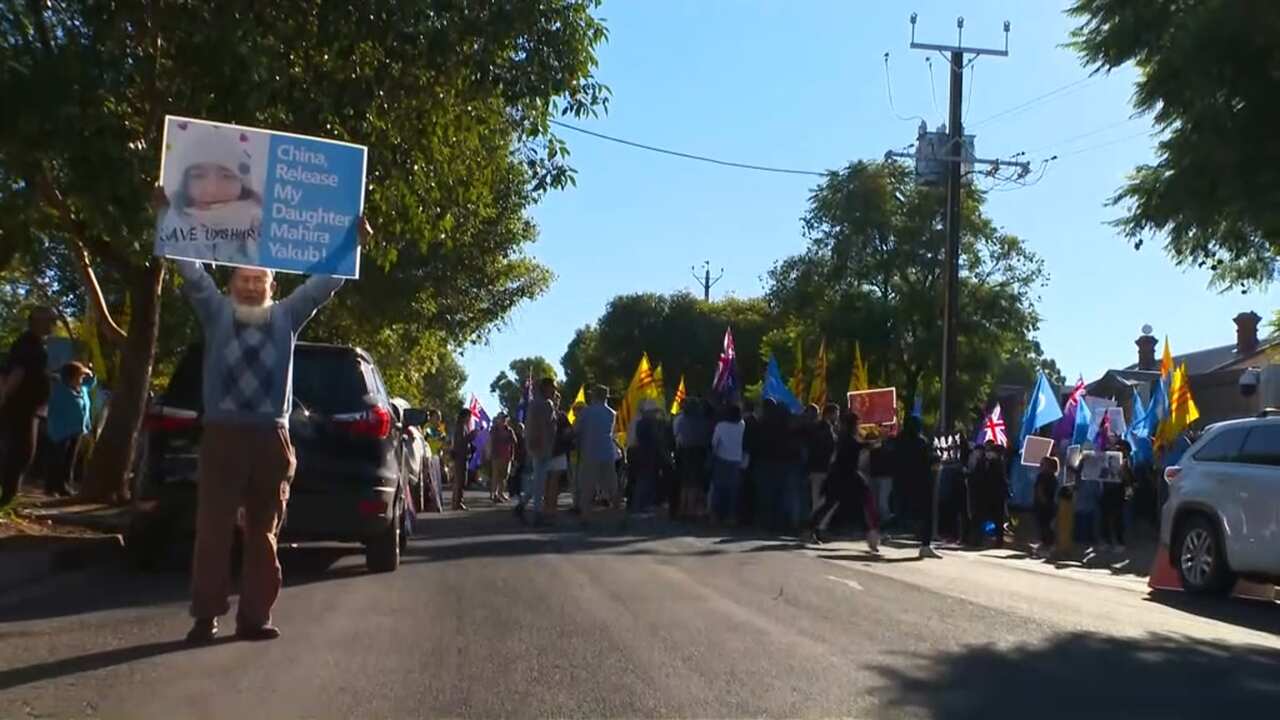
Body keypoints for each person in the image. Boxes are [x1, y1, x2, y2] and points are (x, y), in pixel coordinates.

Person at [175, 243, 350, 644]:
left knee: (263, 532)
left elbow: (325, 284)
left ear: (272, 285)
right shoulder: (215, 312)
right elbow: (190, 270)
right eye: (244, 279)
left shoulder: (286, 315)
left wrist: (352, 243)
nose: (252, 286)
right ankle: (205, 617)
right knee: (212, 530)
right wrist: (168, 217)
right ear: (231, 283)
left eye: (260, 280)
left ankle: (255, 618)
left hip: (271, 438)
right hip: (222, 435)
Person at [157, 123, 263, 265]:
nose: (211, 189)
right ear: (184, 182)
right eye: (198, 176)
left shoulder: (264, 228)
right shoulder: (173, 224)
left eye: (226, 176)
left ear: (243, 183)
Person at [0, 307, 55, 507]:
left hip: (29, 407)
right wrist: (4, 397)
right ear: (36, 322)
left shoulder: (35, 344)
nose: (53, 325)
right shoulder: (28, 344)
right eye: (49, 320)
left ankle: (8, 496)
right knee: (21, 452)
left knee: (21, 452)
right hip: (21, 407)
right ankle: (6, 498)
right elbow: (15, 371)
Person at [810, 411, 878, 551]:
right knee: (860, 503)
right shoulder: (847, 438)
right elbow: (858, 446)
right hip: (846, 476)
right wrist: (875, 442)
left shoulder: (844, 436)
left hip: (843, 475)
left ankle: (810, 529)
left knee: (834, 504)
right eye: (857, 423)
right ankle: (871, 535)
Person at [45, 361, 96, 497]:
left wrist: (89, 371)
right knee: (58, 459)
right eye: (79, 376)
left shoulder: (82, 389)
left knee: (70, 460)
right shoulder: (59, 391)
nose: (81, 379)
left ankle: (65, 485)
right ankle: (53, 486)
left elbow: (91, 382)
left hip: (77, 429)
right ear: (70, 377)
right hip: (61, 430)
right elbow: (52, 410)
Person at [894, 415, 940, 558]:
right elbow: (928, 460)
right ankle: (925, 545)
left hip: (902, 481)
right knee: (926, 514)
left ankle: (876, 530)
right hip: (921, 482)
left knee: (901, 512)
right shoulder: (921, 442)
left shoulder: (898, 441)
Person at [575, 385, 620, 524]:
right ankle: (618, 514)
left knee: (587, 485)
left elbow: (577, 430)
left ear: (594, 396)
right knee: (612, 484)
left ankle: (585, 516)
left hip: (590, 451)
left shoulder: (586, 412)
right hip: (607, 451)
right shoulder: (612, 413)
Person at [516, 377, 557, 524]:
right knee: (540, 481)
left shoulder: (538, 403)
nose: (554, 390)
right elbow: (540, 425)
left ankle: (522, 504)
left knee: (538, 479)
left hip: (541, 445)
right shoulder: (544, 404)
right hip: (541, 445)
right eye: (552, 387)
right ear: (545, 387)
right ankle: (537, 513)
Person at [673, 397, 710, 520]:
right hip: (698, 452)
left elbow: (678, 436)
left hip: (684, 451)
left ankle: (683, 509)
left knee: (685, 483)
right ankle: (692, 510)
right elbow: (705, 437)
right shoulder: (702, 421)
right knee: (695, 483)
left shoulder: (682, 420)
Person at [629, 400, 668, 513]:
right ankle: (640, 506)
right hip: (644, 454)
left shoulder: (642, 422)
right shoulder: (646, 423)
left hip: (641, 453)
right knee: (644, 480)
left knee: (645, 479)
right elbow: (655, 439)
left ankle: (642, 504)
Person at [710, 404, 745, 526]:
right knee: (733, 490)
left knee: (718, 488)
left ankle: (715, 515)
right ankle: (731, 516)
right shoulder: (742, 425)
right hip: (737, 460)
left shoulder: (721, 426)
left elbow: (714, 443)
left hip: (721, 459)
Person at [804, 404, 837, 521]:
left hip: (815, 468)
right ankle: (816, 526)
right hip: (823, 468)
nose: (836, 417)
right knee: (822, 500)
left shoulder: (814, 428)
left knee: (817, 499)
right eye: (835, 414)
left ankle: (814, 526)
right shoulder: (826, 429)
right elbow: (829, 448)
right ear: (829, 414)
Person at [547, 405, 574, 517]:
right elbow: (568, 432)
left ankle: (550, 506)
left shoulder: (561, 416)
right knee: (551, 481)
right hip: (554, 451)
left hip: (554, 451)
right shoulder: (560, 416)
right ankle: (550, 507)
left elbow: (568, 432)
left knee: (552, 481)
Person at [486, 414, 516, 504]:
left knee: (504, 475)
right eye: (502, 419)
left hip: (506, 456)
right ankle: (493, 494)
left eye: (505, 419)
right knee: (496, 474)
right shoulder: (494, 429)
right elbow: (490, 441)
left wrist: (512, 455)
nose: (503, 421)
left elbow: (514, 442)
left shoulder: (509, 430)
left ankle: (501, 493)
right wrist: (489, 452)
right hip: (496, 454)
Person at [1033, 456, 1060, 556]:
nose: (1040, 466)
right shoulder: (1053, 477)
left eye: (1043, 464)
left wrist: (1043, 500)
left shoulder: (1043, 476)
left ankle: (1046, 545)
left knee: (1044, 526)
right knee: (1047, 526)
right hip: (1050, 504)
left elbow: (1039, 490)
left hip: (1043, 505)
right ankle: (1048, 545)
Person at [449, 407, 474, 511]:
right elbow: (460, 442)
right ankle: (457, 502)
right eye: (469, 416)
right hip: (460, 456)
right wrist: (471, 436)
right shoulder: (460, 427)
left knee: (461, 480)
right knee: (460, 481)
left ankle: (458, 501)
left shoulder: (463, 426)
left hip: (462, 456)